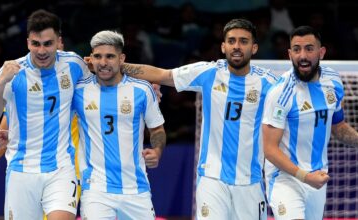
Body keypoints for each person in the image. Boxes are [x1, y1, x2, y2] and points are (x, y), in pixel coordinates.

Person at [118, 18, 278, 220]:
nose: (237, 46)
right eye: (231, 41)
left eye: (243, 41)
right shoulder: (208, 72)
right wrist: (117, 65)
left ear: (254, 48)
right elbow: (162, 74)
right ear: (223, 46)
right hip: (212, 178)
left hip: (250, 181)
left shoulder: (269, 82)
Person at [262, 25, 358, 220]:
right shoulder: (280, 93)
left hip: (317, 177)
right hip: (285, 178)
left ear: (321, 52)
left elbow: (337, 125)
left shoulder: (333, 82)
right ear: (290, 54)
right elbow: (270, 150)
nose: (302, 56)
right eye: (297, 49)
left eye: (309, 48)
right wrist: (304, 177)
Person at [0, 9, 93, 220]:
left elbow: (102, 85)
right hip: (21, 171)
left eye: (48, 43)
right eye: (36, 44)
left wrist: (147, 87)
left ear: (59, 41)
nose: (42, 50)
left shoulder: (74, 64)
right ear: (28, 42)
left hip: (61, 169)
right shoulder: (12, 72)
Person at [74, 30, 166, 220]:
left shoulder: (142, 90)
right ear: (91, 59)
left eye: (110, 56)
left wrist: (157, 151)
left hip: (136, 188)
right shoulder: (78, 90)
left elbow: (156, 129)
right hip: (96, 189)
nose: (103, 62)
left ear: (121, 58)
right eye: (98, 56)